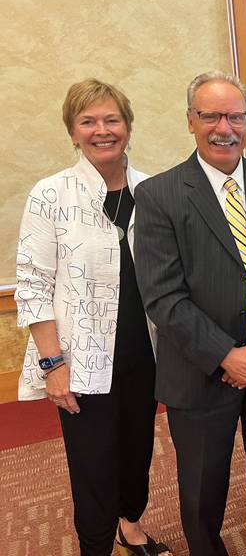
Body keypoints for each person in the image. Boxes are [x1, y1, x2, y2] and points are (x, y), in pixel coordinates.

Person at [133, 71, 246, 556]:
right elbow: (162, 296)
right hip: (198, 369)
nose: (224, 127)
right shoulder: (159, 195)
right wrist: (227, 356)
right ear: (189, 121)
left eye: (235, 116)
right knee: (202, 483)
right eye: (210, 115)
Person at [15, 79, 170, 555]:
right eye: (89, 121)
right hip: (80, 361)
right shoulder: (51, 194)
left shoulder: (154, 191)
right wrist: (52, 365)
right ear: (73, 132)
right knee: (93, 462)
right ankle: (96, 545)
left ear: (127, 126)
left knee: (137, 452)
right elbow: (33, 282)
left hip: (145, 353)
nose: (102, 130)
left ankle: (130, 524)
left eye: (111, 119)